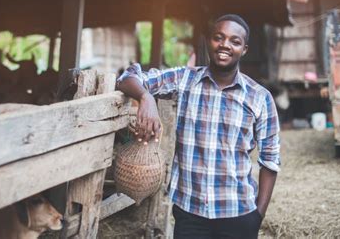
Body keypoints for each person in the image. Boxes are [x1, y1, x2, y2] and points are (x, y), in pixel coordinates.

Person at [117, 14, 280, 239]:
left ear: (244, 50)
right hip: (190, 214)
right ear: (208, 41)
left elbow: (270, 161)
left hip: (238, 214)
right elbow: (127, 77)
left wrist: (257, 216)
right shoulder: (184, 80)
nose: (225, 45)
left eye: (235, 41)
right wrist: (145, 97)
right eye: (219, 37)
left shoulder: (260, 97)